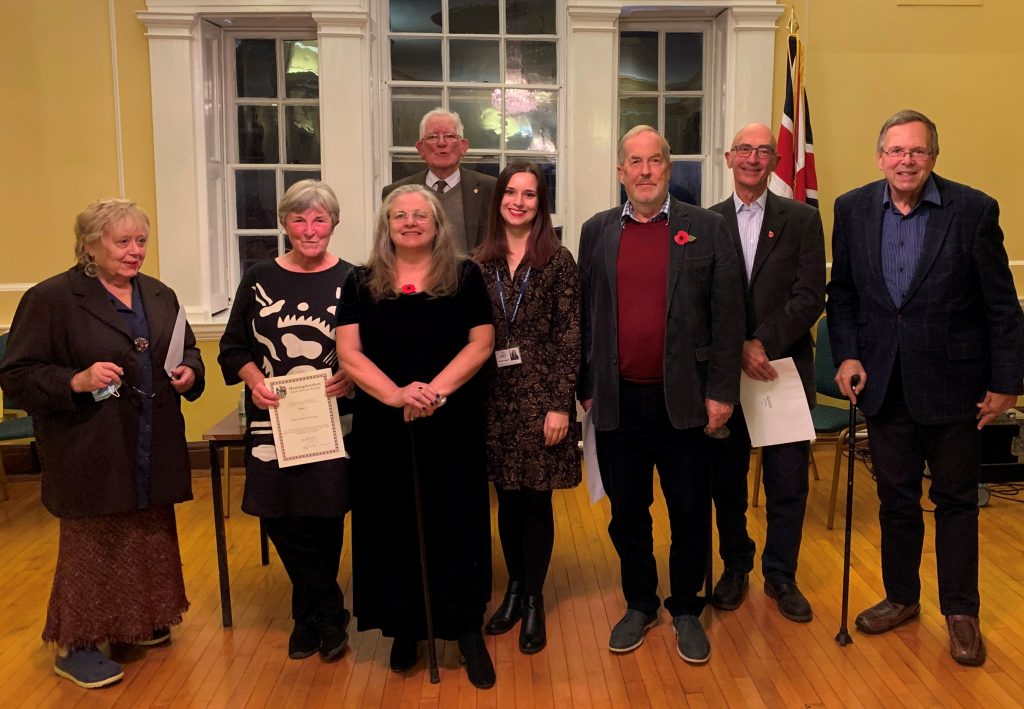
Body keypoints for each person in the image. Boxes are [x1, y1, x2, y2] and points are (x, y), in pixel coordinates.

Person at [827, 109, 1024, 667]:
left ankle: (961, 613)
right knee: (896, 503)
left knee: (956, 503)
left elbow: (1002, 306)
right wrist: (846, 355)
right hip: (884, 385)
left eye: (916, 151)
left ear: (933, 156)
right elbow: (841, 295)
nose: (905, 160)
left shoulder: (973, 211)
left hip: (954, 388)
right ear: (880, 157)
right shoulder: (852, 208)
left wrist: (1008, 383)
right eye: (895, 151)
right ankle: (901, 597)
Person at [0, 199, 204, 688]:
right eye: (123, 242)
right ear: (90, 245)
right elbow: (17, 377)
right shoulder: (52, 298)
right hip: (90, 442)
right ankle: (79, 643)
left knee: (147, 533)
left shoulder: (158, 294)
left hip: (151, 436)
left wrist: (189, 371)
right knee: (95, 544)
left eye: (141, 241)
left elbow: (188, 347)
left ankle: (137, 623)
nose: (135, 252)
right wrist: (76, 379)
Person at [577, 125, 744, 664]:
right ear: (620, 171)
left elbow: (728, 318)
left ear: (668, 168)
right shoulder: (597, 231)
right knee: (628, 512)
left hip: (688, 402)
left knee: (690, 510)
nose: (645, 171)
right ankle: (641, 603)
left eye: (655, 161)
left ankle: (688, 608)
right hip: (618, 402)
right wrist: (585, 388)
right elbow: (584, 316)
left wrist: (722, 392)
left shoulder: (708, 228)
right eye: (635, 162)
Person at [336, 185, 496, 688]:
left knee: (458, 522)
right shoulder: (359, 281)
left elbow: (482, 342)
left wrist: (432, 393)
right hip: (385, 425)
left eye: (419, 214)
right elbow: (350, 353)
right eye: (399, 215)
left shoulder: (465, 275)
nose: (409, 222)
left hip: (451, 421)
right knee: (392, 523)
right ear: (387, 225)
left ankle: (466, 630)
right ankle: (407, 626)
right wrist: (396, 395)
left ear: (436, 223)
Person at [218, 180, 354, 662]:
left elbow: (372, 351)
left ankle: (307, 618)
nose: (309, 229)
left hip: (335, 418)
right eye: (299, 219)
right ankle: (328, 608)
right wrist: (253, 377)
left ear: (334, 224)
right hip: (272, 418)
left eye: (319, 219)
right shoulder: (258, 277)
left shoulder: (353, 279)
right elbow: (232, 347)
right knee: (278, 514)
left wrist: (351, 377)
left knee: (325, 515)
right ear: (284, 224)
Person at [707, 123, 825, 622]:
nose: (753, 158)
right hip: (723, 374)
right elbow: (697, 299)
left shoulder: (801, 219)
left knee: (787, 482)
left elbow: (809, 296)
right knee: (727, 482)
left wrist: (762, 344)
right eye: (743, 150)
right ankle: (736, 566)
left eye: (762, 151)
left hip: (782, 372)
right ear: (728, 158)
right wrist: (736, 347)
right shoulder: (705, 222)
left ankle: (781, 573)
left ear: (775, 160)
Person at [474, 162, 581, 655]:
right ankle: (514, 588)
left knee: (536, 501)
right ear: (499, 199)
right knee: (507, 500)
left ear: (542, 204)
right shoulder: (479, 264)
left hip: (542, 400)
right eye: (512, 192)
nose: (519, 201)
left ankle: (534, 596)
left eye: (530, 195)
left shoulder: (558, 262)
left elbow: (569, 339)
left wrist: (561, 406)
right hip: (494, 400)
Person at [382, 108, 497, 253]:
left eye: (449, 136)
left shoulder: (490, 189)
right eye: (432, 137)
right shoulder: (395, 193)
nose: (441, 143)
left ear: (463, 146)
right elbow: (387, 248)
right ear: (420, 149)